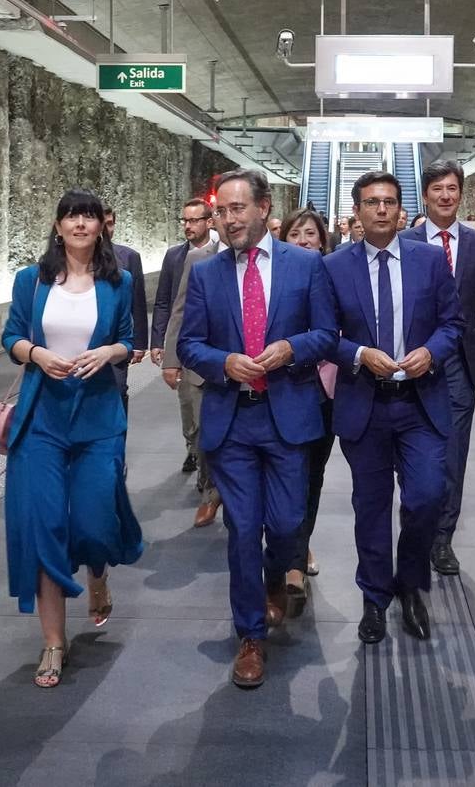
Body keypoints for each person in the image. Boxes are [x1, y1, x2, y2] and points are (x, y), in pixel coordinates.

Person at [177, 168, 336, 689]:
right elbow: (189, 344)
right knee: (243, 529)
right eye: (220, 211)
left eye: (237, 209)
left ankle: (274, 581)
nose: (227, 220)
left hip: (288, 415)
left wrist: (291, 349)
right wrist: (224, 362)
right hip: (233, 418)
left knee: (288, 524)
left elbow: (327, 333)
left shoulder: (306, 265)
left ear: (264, 208)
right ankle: (249, 636)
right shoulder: (206, 273)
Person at [1, 190, 145, 688]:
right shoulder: (31, 280)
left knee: (92, 518)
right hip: (43, 415)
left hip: (99, 416)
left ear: (102, 224)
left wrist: (107, 352)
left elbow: (129, 340)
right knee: (45, 526)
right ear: (58, 225)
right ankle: (53, 643)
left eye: (88, 216)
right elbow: (11, 338)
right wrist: (37, 355)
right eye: (71, 216)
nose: (80, 224)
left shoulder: (118, 281)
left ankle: (98, 571)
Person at [325, 171, 462, 645]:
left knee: (426, 497)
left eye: (388, 202)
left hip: (420, 403)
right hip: (365, 405)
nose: (381, 210)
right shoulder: (335, 266)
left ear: (402, 209)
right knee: (371, 506)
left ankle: (411, 583)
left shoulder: (429, 261)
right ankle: (375, 596)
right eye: (371, 202)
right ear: (357, 212)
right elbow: (325, 336)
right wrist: (360, 354)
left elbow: (452, 323)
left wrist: (433, 352)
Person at [400, 159, 475, 578]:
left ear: (460, 194)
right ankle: (416, 527)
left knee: (453, 456)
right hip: (412, 365)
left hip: (460, 365)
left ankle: (442, 537)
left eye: (453, 189)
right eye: (438, 188)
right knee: (414, 455)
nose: (446, 195)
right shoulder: (404, 241)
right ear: (425, 195)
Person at [279, 208, 336, 610]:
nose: (303, 239)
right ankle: (289, 556)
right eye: (295, 233)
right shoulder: (271, 281)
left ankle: (297, 555)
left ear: (322, 240)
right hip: (282, 390)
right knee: (286, 479)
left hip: (325, 391)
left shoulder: (334, 275)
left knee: (310, 476)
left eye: (310, 233)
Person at [151, 198, 218, 474]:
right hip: (184, 345)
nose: (188, 226)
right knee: (187, 405)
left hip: (211, 345)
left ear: (209, 222)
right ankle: (192, 447)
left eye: (194, 220)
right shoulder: (175, 256)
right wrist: (161, 346)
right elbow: (167, 302)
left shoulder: (220, 253)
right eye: (185, 221)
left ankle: (207, 472)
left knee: (206, 412)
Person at [161, 234, 222, 527]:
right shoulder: (198, 259)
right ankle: (210, 492)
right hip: (202, 364)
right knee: (204, 433)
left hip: (252, 367)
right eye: (224, 210)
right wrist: (171, 360)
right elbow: (180, 309)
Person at [103, 207, 149, 413]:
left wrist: (140, 344)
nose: (106, 229)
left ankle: (116, 439)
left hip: (118, 343)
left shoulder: (129, 257)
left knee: (118, 390)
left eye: (110, 223)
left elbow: (138, 303)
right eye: (102, 223)